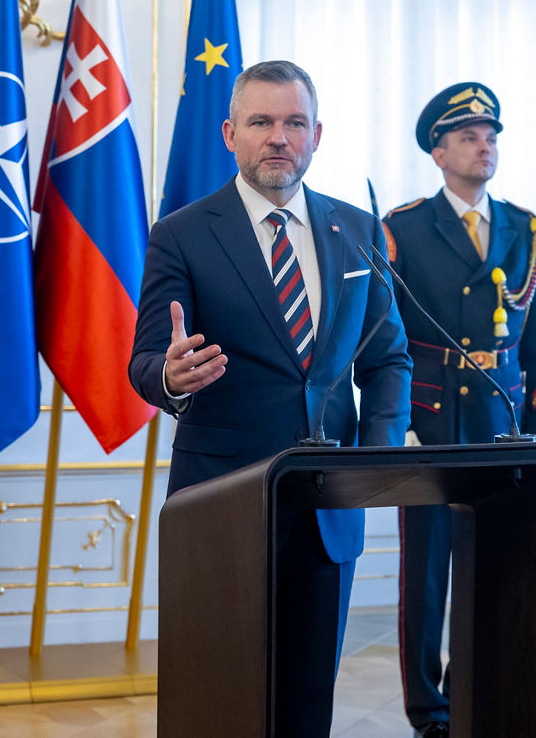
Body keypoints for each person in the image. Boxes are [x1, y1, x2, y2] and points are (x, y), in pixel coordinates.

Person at [129, 60, 411, 737]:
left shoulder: (358, 233)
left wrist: (372, 465)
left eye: (294, 123)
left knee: (306, 704)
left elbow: (389, 359)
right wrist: (169, 376)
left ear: (318, 135)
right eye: (261, 122)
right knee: (220, 701)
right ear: (231, 133)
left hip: (328, 508)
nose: (277, 137)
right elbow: (144, 362)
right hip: (222, 503)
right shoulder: (184, 233)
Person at [384, 82, 536, 738]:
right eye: (468, 136)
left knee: (498, 565)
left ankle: (477, 691)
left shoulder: (523, 227)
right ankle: (429, 714)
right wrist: (392, 425)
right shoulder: (401, 228)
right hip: (431, 421)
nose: (484, 146)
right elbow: (385, 340)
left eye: (491, 136)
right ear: (438, 151)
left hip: (502, 423)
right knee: (426, 577)